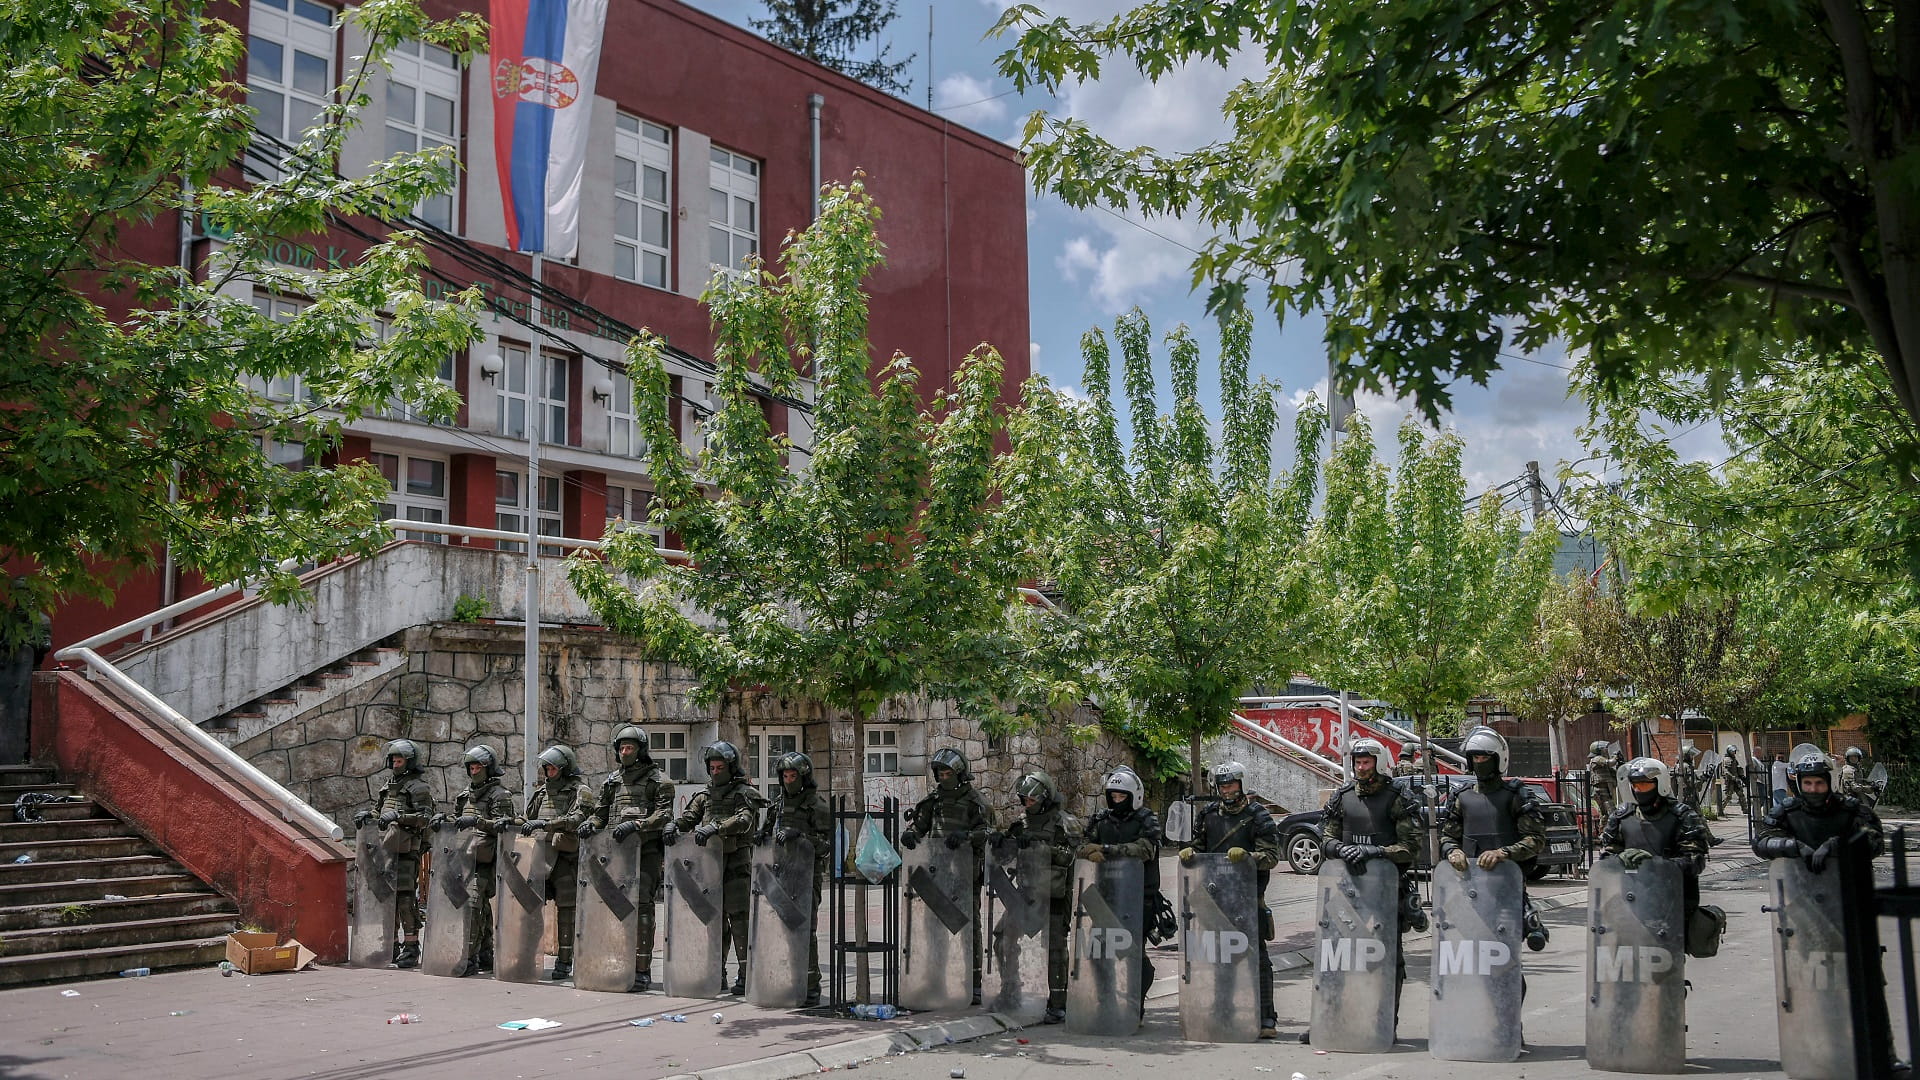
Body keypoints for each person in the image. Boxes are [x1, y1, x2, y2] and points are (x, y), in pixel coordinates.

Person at [1317, 737, 1421, 1035]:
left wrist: (1376, 852)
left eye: (1366, 762)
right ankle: (1330, 1019)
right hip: (1347, 890)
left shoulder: (1397, 797)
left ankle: (1385, 1021)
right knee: (1337, 956)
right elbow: (1325, 837)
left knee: (1386, 957)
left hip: (1386, 891)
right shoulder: (1342, 797)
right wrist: (1339, 848)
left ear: (1379, 763)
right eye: (1358, 762)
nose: (1361, 768)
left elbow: (1410, 846)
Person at [1182, 761, 1281, 1039]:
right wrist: (1190, 854)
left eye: (1231, 785)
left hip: (1248, 898)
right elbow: (1199, 846)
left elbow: (1272, 856)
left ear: (1242, 784)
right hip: (1215, 898)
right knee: (1219, 959)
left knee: (1257, 959)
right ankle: (1221, 1011)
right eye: (1222, 786)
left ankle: (1266, 1018)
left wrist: (1248, 858)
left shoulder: (1257, 815)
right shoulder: (1208, 815)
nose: (1226, 790)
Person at [580, 725, 675, 992]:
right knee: (615, 907)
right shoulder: (612, 782)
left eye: (630, 747)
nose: (624, 752)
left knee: (642, 907)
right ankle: (618, 962)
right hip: (616, 855)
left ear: (640, 750)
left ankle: (642, 969)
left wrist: (638, 825)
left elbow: (664, 815)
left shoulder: (659, 781)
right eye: (621, 747)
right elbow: (600, 813)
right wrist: (590, 824)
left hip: (646, 852)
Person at [1440, 726, 1551, 952]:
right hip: (1470, 889)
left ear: (1498, 760)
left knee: (1504, 954)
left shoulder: (1516, 795)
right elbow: (1448, 836)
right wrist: (1453, 851)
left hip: (1507, 888)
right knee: (1468, 953)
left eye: (1485, 758)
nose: (1480, 762)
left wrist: (1503, 853)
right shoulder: (1461, 797)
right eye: (1476, 758)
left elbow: (1535, 839)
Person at [667, 741, 762, 995]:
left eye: (721, 767)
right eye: (712, 768)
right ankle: (715, 973)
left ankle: (747, 973)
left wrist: (716, 827)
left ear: (731, 767)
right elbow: (689, 817)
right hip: (710, 865)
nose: (716, 772)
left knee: (739, 919)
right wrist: (674, 826)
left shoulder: (744, 793)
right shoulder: (705, 795)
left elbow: (744, 820)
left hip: (737, 863)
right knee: (713, 920)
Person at [901, 747, 994, 1002]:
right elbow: (920, 825)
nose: (943, 778)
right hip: (937, 872)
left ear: (960, 774)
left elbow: (989, 833)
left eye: (948, 773)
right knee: (934, 928)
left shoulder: (976, 803)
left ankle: (974, 984)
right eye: (940, 774)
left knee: (968, 929)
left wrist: (967, 836)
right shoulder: (934, 801)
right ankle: (935, 980)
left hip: (964, 875)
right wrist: (911, 834)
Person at [1598, 757, 1711, 945]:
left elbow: (1695, 861)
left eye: (1644, 785)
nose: (1638, 790)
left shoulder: (1682, 816)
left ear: (1660, 784)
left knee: (1666, 959)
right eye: (1635, 785)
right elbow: (1605, 860)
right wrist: (1618, 860)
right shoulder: (1621, 817)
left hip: (1671, 905)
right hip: (1631, 902)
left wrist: (1657, 864)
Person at [1080, 765, 1161, 1019]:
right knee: (1097, 952)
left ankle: (1135, 1004)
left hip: (1138, 897)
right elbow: (1083, 844)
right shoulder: (1101, 820)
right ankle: (1106, 1002)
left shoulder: (1146, 820)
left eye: (1122, 796)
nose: (1117, 801)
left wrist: (1107, 850)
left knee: (1132, 952)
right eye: (1113, 796)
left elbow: (1144, 849)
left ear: (1133, 796)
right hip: (1106, 895)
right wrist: (1086, 851)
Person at [1000, 768, 1079, 1024]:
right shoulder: (1021, 823)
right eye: (1025, 799)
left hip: (1054, 893)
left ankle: (1058, 1003)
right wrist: (1003, 842)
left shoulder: (1064, 823)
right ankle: (1010, 990)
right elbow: (1003, 857)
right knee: (1002, 937)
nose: (1028, 803)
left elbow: (1069, 856)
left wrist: (1039, 845)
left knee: (1055, 947)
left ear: (1045, 799)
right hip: (1026, 892)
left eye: (1032, 799)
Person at [756, 749, 832, 1006]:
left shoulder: (816, 805)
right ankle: (791, 979)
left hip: (807, 875)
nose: (788, 781)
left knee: (805, 929)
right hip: (782, 873)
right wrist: (761, 837)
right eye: (785, 776)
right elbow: (767, 831)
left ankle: (811, 985)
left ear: (803, 777)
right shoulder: (778, 804)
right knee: (784, 929)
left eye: (793, 776)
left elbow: (827, 845)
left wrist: (800, 837)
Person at [352, 739, 434, 969]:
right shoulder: (388, 787)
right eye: (394, 761)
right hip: (385, 848)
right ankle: (390, 945)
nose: (396, 765)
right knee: (386, 898)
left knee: (405, 899)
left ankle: (411, 947)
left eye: (400, 761)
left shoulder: (419, 788)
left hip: (407, 850)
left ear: (410, 762)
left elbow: (425, 818)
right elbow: (379, 811)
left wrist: (399, 817)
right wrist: (368, 815)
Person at [518, 743, 597, 981]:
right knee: (530, 907)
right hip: (541, 857)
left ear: (565, 768)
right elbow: (527, 818)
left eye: (553, 768)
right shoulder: (542, 793)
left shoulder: (580, 791)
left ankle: (564, 961)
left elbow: (577, 819)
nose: (549, 772)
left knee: (567, 911)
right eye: (547, 768)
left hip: (565, 858)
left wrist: (546, 824)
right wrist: (508, 821)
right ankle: (526, 956)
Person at [445, 744, 516, 978]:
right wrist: (442, 820)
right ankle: (485, 953)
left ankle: (468, 958)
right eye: (471, 767)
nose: (474, 771)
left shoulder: (500, 795)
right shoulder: (465, 795)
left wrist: (478, 822)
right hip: (464, 858)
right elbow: (456, 818)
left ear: (488, 769)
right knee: (479, 905)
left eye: (478, 767)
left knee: (473, 903)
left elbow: (505, 827)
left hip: (488, 860)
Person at [1586, 740, 1619, 823]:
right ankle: (1607, 829)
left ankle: (1605, 829)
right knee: (1611, 811)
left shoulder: (1601, 762)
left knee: (1607, 814)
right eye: (1603, 749)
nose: (1605, 750)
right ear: (1598, 750)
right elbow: (1610, 763)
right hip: (1600, 790)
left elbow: (1613, 771)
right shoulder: (1597, 759)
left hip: (1604, 789)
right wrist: (1615, 757)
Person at [1718, 744, 1748, 815]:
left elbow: (1738, 769)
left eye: (1734, 751)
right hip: (1730, 781)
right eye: (1733, 751)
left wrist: (1741, 777)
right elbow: (1726, 771)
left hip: (1736, 780)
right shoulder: (1727, 760)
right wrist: (1733, 777)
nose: (1734, 753)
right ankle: (1720, 810)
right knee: (1728, 796)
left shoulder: (1734, 759)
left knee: (1741, 795)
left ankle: (1745, 809)